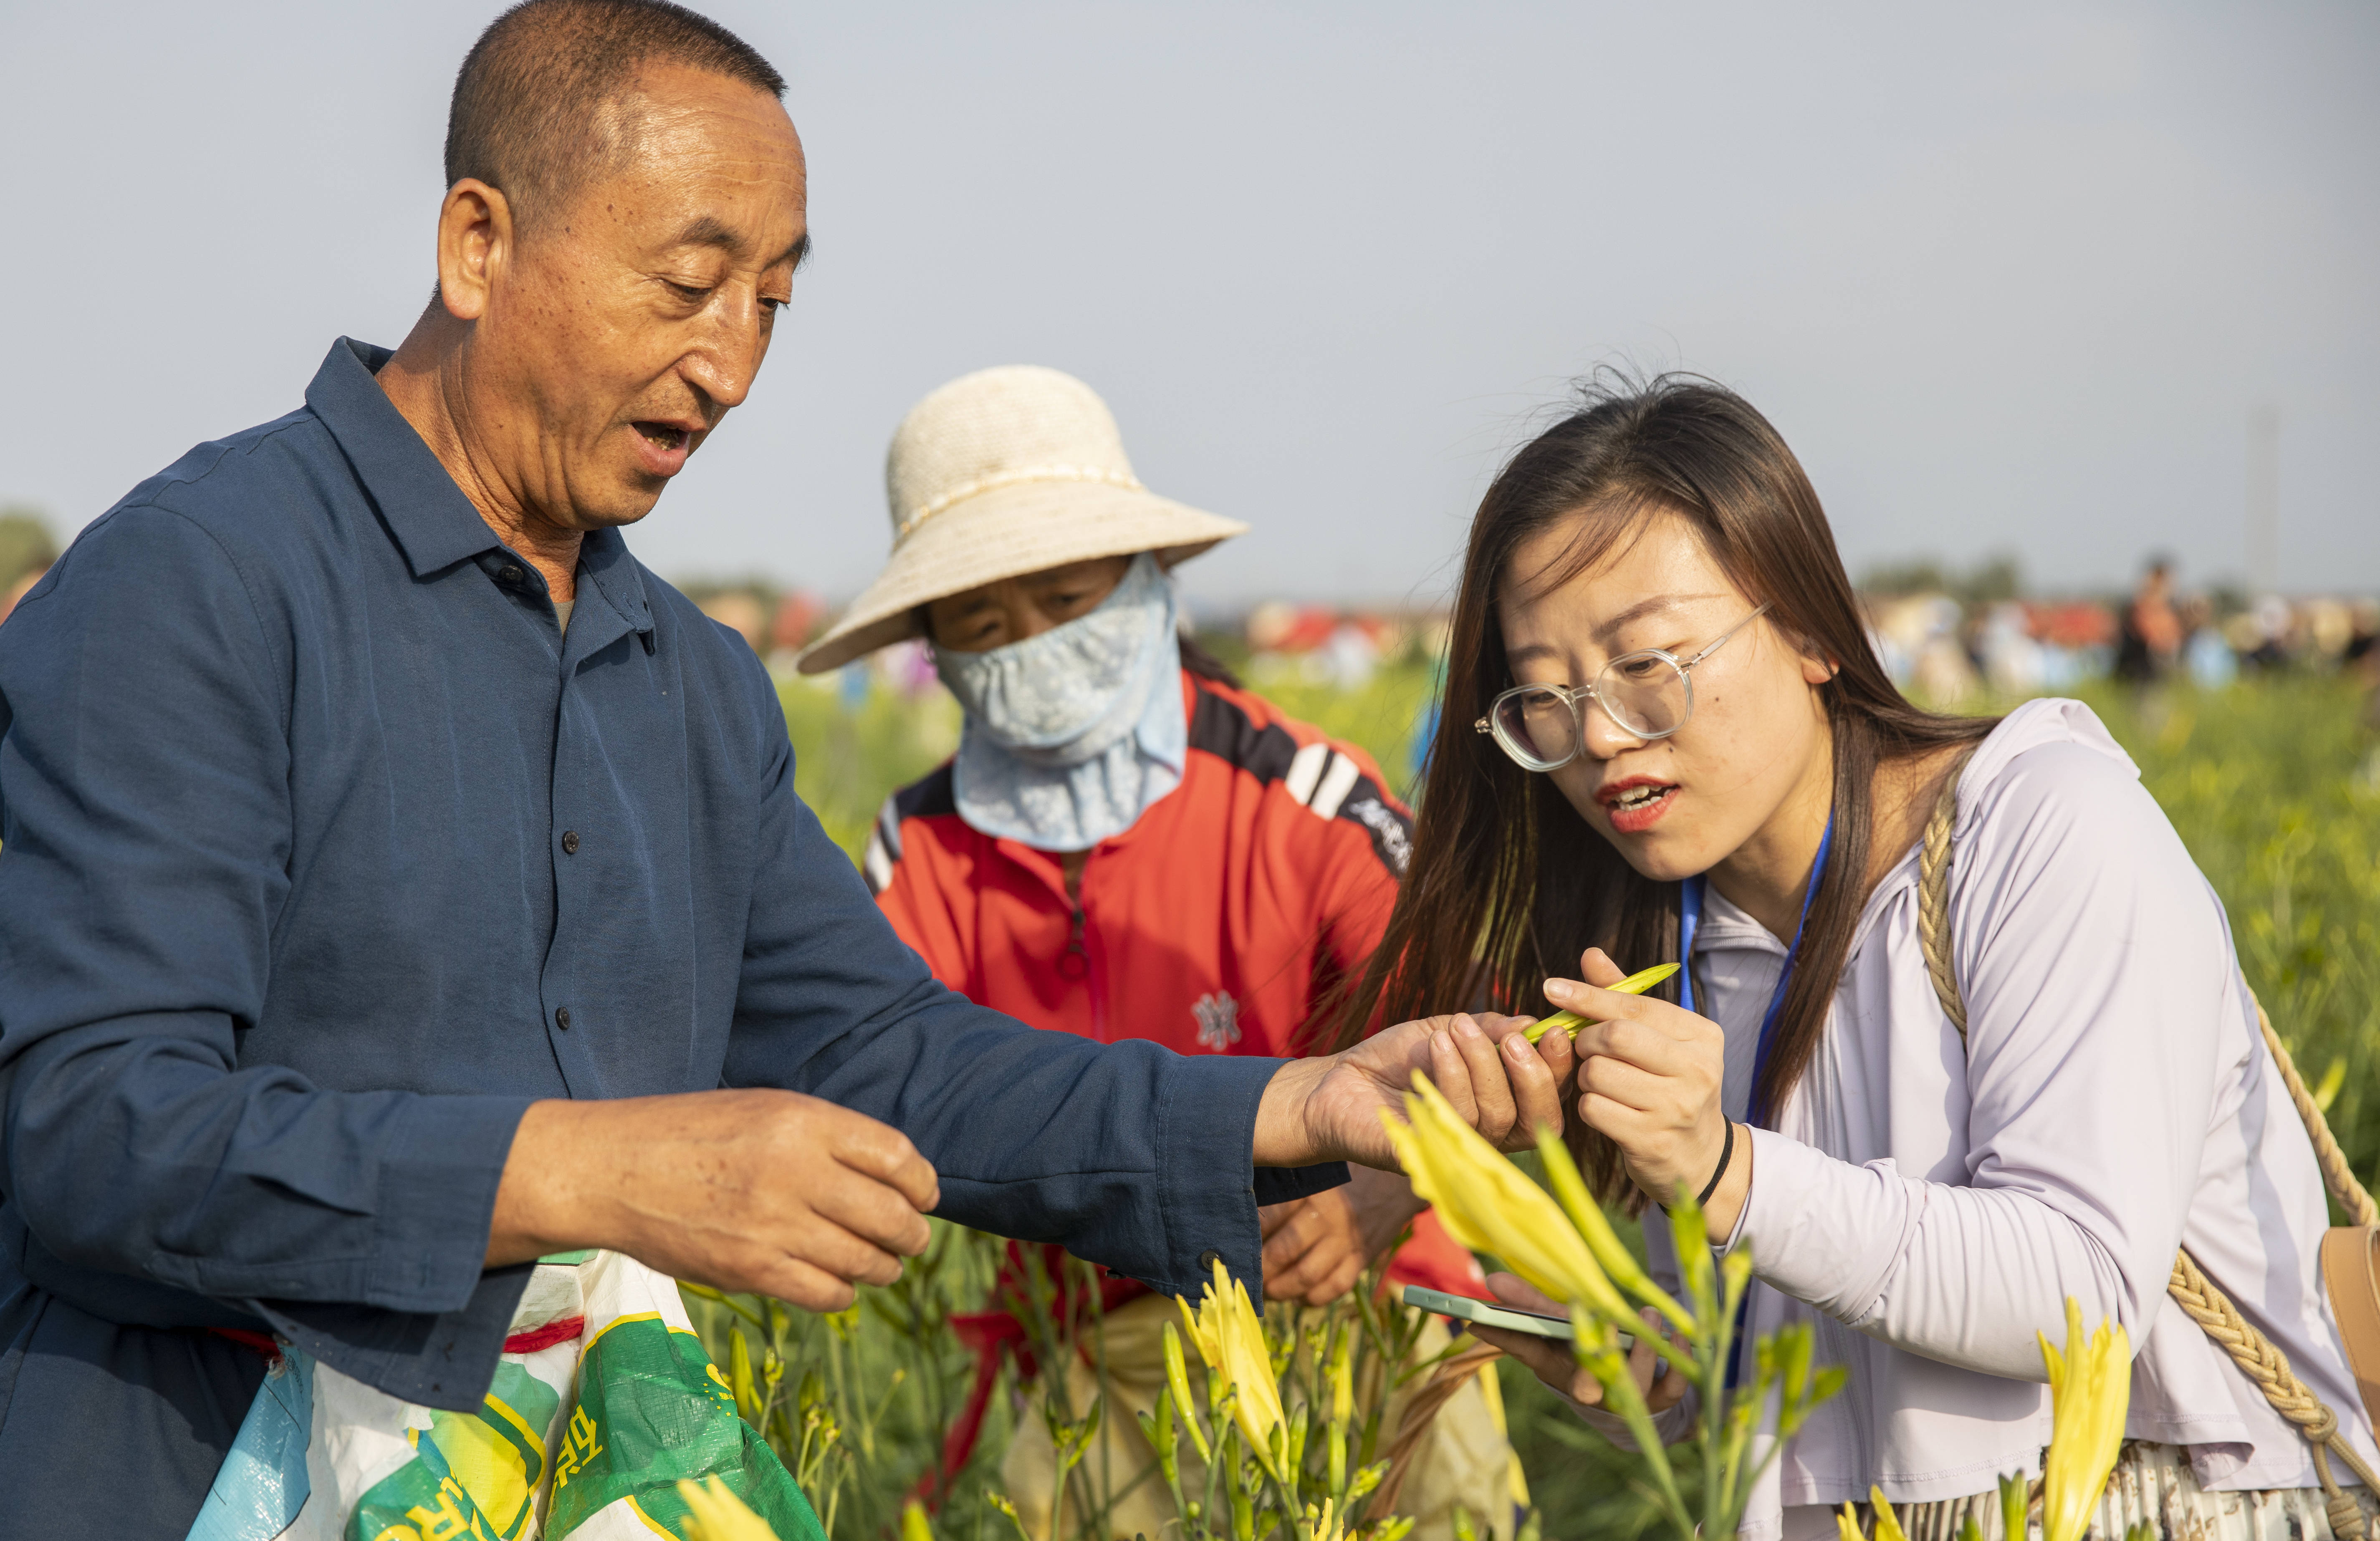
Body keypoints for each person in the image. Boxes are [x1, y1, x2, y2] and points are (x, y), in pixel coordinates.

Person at [0, 5, 1562, 1531]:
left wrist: (1302, 1104)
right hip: (198, 1456)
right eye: (688, 285)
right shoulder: (197, 588)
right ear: (477, 246)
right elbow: (96, 1124)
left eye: (770, 304)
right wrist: (593, 1170)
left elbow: (896, 1057)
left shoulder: (688, 681)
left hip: (572, 1465)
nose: (730, 367)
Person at [1334, 375, 2380, 1540]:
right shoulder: (1660, 941)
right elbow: (1796, 1361)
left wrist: (1727, 1169)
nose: (1600, 737)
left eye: (1649, 663)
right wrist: (1657, 1378)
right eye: (1546, 694)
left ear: (1811, 633)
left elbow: (2081, 1294)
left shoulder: (2046, 826)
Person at [796, 365, 1520, 1537]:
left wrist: (1381, 1194)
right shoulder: (913, 852)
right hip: (1088, 1355)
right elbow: (845, 1071)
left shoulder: (1303, 801)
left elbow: (1474, 1046)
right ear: (937, 650)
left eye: (1067, 598)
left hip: (1359, 1311)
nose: (1030, 643)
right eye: (980, 624)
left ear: (1150, 587)